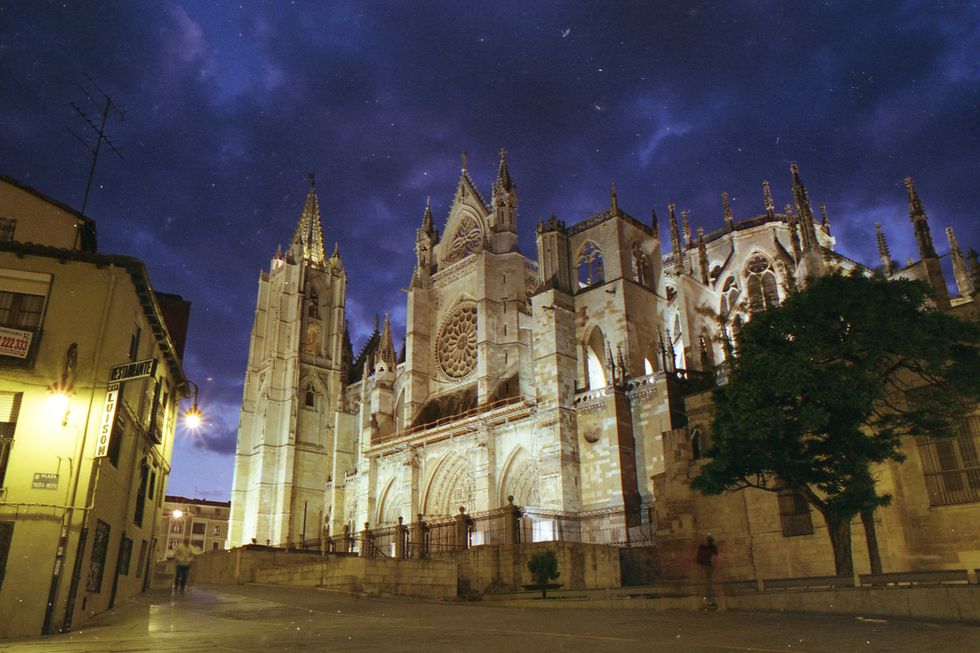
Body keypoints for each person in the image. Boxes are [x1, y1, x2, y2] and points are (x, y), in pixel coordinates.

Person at [695, 535, 719, 609]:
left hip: (701, 567)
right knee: (708, 584)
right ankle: (708, 601)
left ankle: (706, 601)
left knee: (706, 584)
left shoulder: (702, 547)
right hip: (707, 567)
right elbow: (715, 557)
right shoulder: (712, 547)